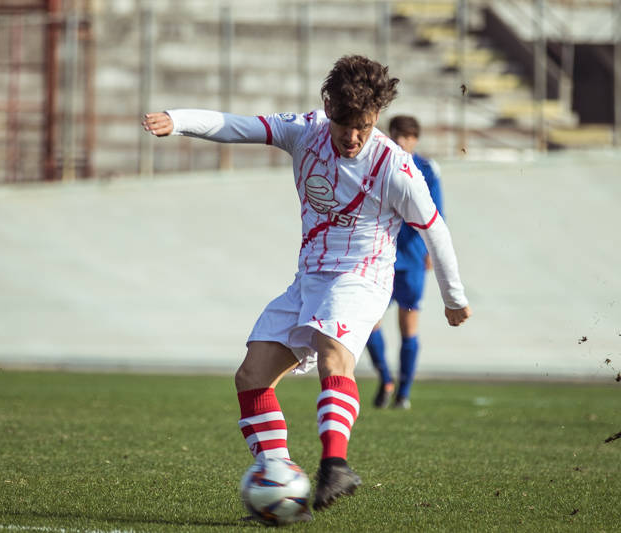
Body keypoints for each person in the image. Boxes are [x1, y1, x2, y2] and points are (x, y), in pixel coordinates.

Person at [142, 54, 471, 515]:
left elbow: (434, 228)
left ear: (375, 117)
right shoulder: (306, 131)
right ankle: (280, 480)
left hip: (361, 277)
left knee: (332, 352)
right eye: (343, 124)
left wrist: (454, 299)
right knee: (252, 375)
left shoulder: (396, 168)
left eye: (364, 125)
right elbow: (239, 126)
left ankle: (335, 464)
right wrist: (178, 120)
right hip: (308, 279)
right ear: (328, 107)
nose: (352, 137)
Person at [365, 115, 444, 410]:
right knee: (370, 323)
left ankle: (404, 392)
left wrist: (432, 251)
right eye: (398, 135)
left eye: (409, 136)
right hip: (379, 259)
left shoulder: (426, 169)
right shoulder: (377, 163)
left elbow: (437, 214)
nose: (402, 141)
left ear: (416, 139)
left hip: (410, 260)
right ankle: (386, 377)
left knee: (408, 325)